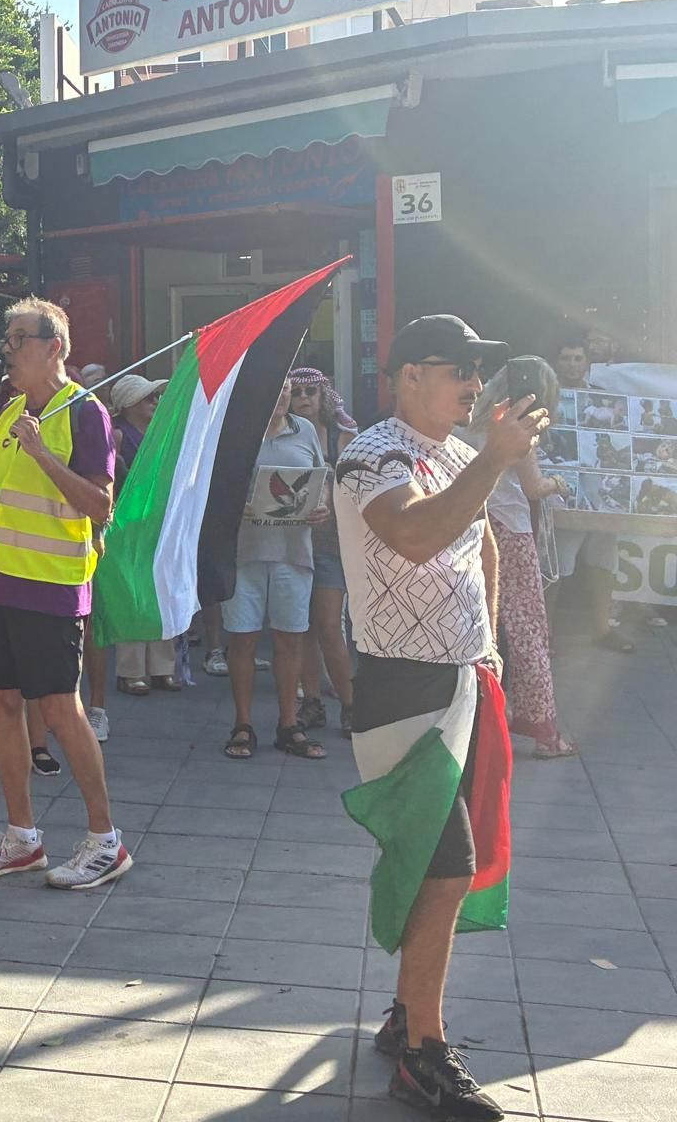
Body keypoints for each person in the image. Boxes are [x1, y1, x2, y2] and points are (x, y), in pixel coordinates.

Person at [335, 314, 542, 1121]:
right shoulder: (371, 453)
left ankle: (407, 1018)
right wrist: (494, 458)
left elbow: (480, 544)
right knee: (443, 869)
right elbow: (415, 534)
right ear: (407, 376)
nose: (473, 384)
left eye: (477, 371)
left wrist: (488, 648)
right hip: (399, 685)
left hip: (461, 679)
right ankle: (424, 1054)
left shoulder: (456, 453)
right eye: (457, 368)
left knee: (444, 863)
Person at [0, 298, 129, 889]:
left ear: (55, 347)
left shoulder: (85, 412)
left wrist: (42, 452)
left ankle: (106, 840)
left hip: (51, 587)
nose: (8, 349)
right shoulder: (6, 412)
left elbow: (101, 505)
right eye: (7, 338)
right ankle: (22, 838)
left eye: (19, 339)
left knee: (59, 710)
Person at [458, 366, 579, 759]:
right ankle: (543, 730)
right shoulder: (518, 428)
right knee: (528, 628)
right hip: (510, 529)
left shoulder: (470, 421)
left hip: (470, 522)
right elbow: (533, 486)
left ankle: (479, 718)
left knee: (477, 622)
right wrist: (559, 484)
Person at [222, 380, 330, 761]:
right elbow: (214, 485)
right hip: (244, 553)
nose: (283, 395)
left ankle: (289, 724)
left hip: (293, 551)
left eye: (287, 388)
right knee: (242, 641)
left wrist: (322, 506)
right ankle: (242, 724)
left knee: (290, 640)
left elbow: (321, 480)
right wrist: (234, 504)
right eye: (276, 386)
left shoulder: (306, 431)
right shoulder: (237, 429)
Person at [287, 367, 358, 735]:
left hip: (332, 543)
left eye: (311, 392)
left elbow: (354, 486)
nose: (303, 398)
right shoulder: (281, 433)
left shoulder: (342, 436)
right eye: (297, 392)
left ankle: (351, 705)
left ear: (323, 396)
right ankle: (311, 702)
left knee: (330, 626)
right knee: (302, 629)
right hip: (292, 542)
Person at [547, 338, 626, 651]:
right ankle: (545, 635)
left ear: (587, 363)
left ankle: (602, 630)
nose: (572, 364)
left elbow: (618, 439)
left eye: (578, 358)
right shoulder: (546, 396)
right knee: (558, 565)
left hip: (600, 487)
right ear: (557, 362)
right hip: (563, 484)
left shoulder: (602, 397)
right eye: (566, 358)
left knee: (604, 562)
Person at [107, 374, 181, 696]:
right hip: (128, 526)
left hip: (159, 522)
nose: (155, 401)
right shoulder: (117, 435)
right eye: (147, 397)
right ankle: (131, 670)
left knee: (162, 592)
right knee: (132, 597)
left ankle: (163, 667)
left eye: (155, 396)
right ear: (128, 403)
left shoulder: (161, 433)